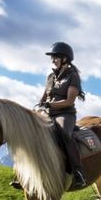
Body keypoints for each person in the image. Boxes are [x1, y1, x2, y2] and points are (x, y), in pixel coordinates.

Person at [14, 41, 88, 189]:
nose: (52, 60)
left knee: (65, 134)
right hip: (48, 113)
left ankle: (78, 172)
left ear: (65, 59)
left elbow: (69, 101)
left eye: (55, 57)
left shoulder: (73, 77)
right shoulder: (50, 77)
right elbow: (44, 97)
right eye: (52, 58)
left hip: (65, 114)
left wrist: (50, 105)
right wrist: (35, 111)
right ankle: (22, 175)